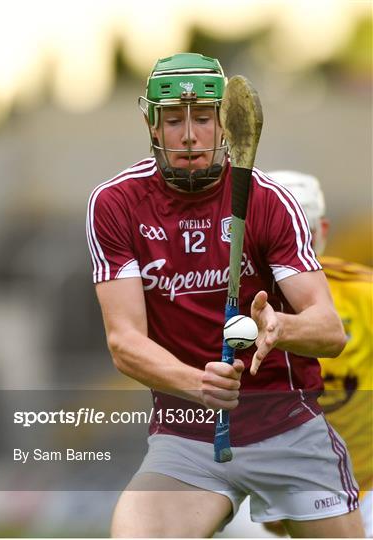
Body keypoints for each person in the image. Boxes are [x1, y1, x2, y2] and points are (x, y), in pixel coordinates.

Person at [86, 53, 364, 538]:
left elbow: (329, 329)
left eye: (203, 119)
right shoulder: (117, 204)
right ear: (152, 126)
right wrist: (199, 386)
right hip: (186, 434)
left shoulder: (268, 200)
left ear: (224, 125)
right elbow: (124, 341)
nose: (189, 135)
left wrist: (281, 327)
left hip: (288, 427)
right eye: (173, 120)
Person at [260, 170, 372, 538]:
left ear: (322, 230)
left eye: (299, 231)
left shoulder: (365, 296)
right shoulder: (221, 302)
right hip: (259, 486)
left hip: (365, 491)